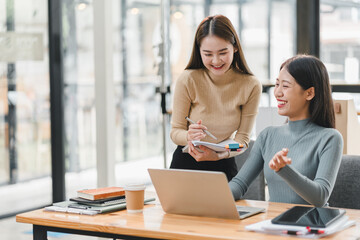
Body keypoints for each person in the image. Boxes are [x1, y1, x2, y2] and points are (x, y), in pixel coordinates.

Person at [229, 55, 343, 207]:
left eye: (286, 86)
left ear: (309, 93)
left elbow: (320, 197)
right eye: (277, 84)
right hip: (274, 223)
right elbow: (240, 184)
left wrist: (284, 170)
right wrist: (209, 197)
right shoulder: (267, 135)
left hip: (312, 226)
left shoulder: (330, 138)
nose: (277, 92)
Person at [169, 15, 262, 181]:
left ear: (234, 47)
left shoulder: (250, 85)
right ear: (199, 51)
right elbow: (175, 132)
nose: (216, 60)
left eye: (222, 52)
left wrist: (221, 154)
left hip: (223, 165)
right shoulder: (188, 79)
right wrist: (188, 136)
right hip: (185, 164)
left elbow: (242, 140)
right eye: (208, 54)